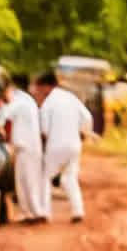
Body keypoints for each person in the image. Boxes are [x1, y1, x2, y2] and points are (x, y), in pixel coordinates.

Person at [31, 71, 96, 223]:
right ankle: (77, 210)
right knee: (70, 177)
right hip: (74, 145)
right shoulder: (71, 98)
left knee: (45, 178)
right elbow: (87, 117)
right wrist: (84, 133)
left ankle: (44, 212)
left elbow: (44, 130)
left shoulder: (48, 103)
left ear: (47, 87)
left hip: (56, 145)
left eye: (40, 89)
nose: (39, 93)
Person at [0, 72, 46, 223]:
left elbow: (4, 114)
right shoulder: (25, 101)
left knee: (28, 180)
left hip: (27, 147)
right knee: (23, 181)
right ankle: (29, 213)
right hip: (25, 147)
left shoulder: (20, 101)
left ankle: (36, 213)